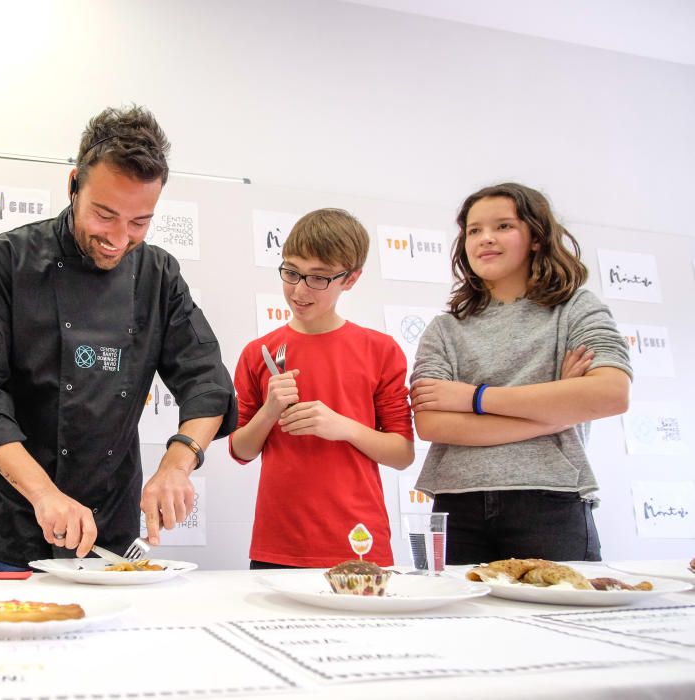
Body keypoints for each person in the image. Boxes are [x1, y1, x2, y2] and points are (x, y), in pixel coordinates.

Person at [0, 105, 237, 571]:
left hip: (113, 527)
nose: (119, 238)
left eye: (140, 222)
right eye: (105, 215)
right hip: (16, 523)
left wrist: (178, 462)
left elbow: (207, 381)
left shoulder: (158, 275)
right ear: (73, 186)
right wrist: (45, 494)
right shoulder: (10, 261)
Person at [409, 182, 632, 564]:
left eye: (503, 226)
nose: (485, 239)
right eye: (474, 230)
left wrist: (473, 398)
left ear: (536, 238)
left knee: (564, 619)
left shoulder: (575, 308)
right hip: (457, 504)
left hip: (551, 499)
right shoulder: (444, 329)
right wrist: (556, 411)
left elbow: (611, 393)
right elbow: (432, 423)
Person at [229, 208, 415, 569]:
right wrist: (270, 411)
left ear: (351, 279)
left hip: (357, 541)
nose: (299, 290)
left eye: (318, 278)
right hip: (278, 541)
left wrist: (343, 427)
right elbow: (240, 450)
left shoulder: (380, 350)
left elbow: (402, 453)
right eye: (291, 272)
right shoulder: (259, 353)